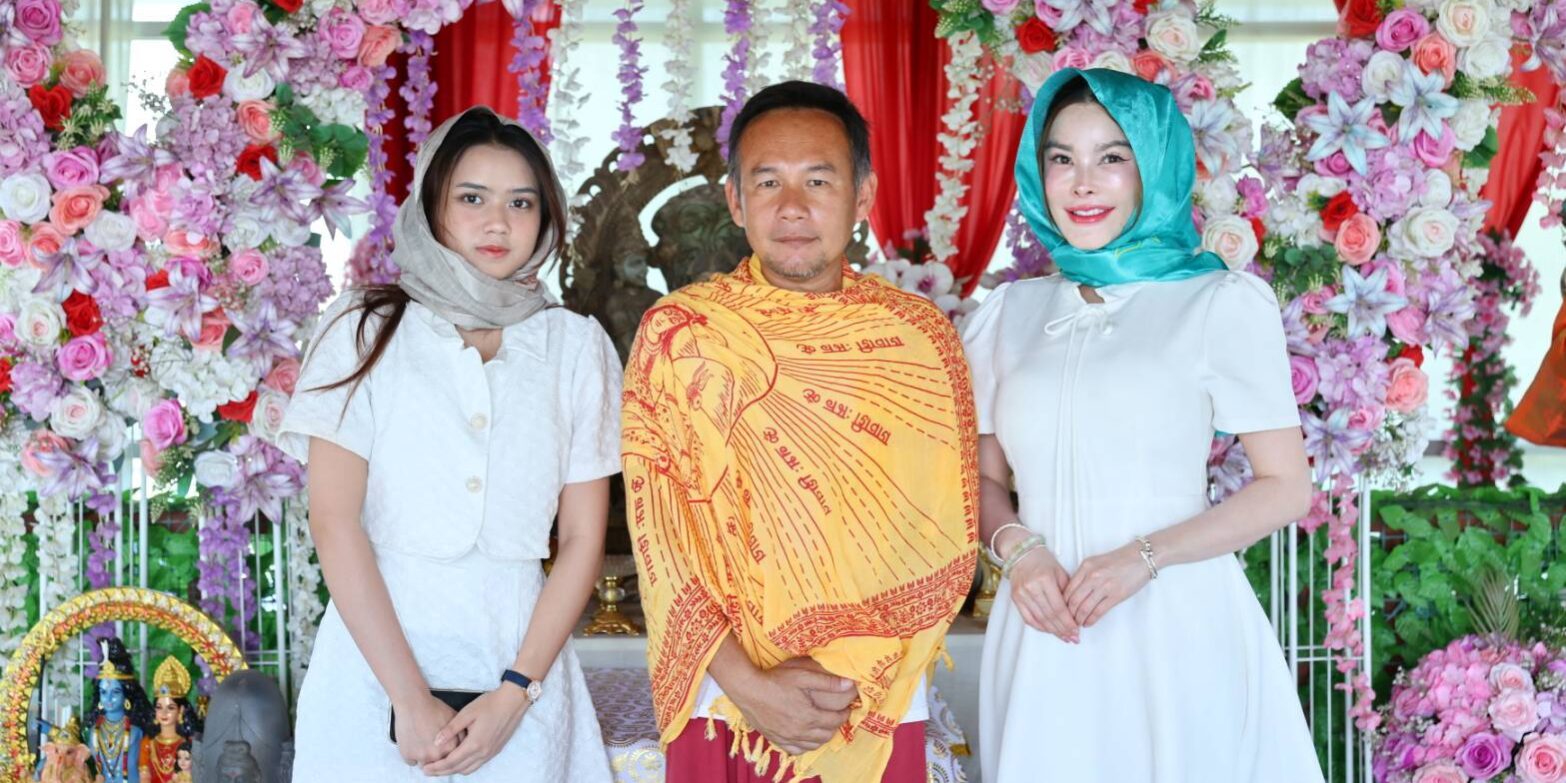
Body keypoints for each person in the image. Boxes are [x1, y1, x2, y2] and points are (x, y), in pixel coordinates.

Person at [963, 68, 1325, 781]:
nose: (1082, 184)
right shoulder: (1008, 313)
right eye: (1061, 159)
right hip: (1042, 622)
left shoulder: (1218, 302)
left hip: (1176, 620)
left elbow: (1286, 488)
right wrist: (1018, 551)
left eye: (1112, 157)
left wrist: (1142, 558)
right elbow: (977, 478)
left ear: (1154, 167)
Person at [621, 81, 978, 783]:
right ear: (735, 201)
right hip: (724, 698)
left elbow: (946, 531)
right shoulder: (682, 334)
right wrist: (751, 685)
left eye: (818, 180)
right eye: (767, 182)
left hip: (872, 698)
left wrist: (853, 672)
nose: (792, 207)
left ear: (862, 195)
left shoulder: (919, 339)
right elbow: (661, 534)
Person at [279, 106, 619, 781]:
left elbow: (583, 538)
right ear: (431, 205)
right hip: (373, 670)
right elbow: (334, 519)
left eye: (520, 202)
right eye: (472, 198)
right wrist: (408, 698)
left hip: (522, 669)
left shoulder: (576, 346)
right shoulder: (362, 329)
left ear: (545, 216)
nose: (498, 223)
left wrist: (515, 693)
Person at [138, 656, 199, 783]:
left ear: (180, 711)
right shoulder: (148, 744)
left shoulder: (188, 743)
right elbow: (144, 777)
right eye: (159, 707)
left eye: (170, 708)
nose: (164, 713)